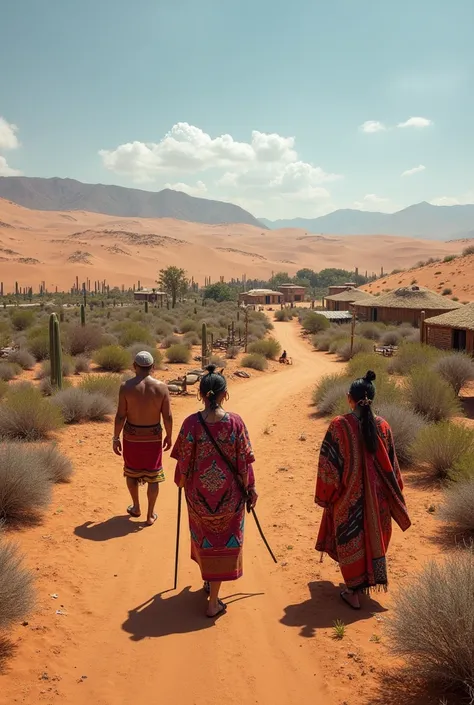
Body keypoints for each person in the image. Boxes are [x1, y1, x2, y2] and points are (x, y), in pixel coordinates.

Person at [314, 370, 411, 609]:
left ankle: (352, 591)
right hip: (379, 504)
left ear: (350, 398)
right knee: (372, 538)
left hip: (348, 501)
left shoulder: (339, 425)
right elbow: (394, 468)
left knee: (351, 540)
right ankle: (363, 584)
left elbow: (328, 466)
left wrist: (327, 495)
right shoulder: (384, 426)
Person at [171, 365, 258, 618]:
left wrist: (181, 482)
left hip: (199, 498)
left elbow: (183, 463)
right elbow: (244, 462)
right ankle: (213, 602)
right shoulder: (236, 423)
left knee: (205, 539)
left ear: (200, 394)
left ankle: (210, 584)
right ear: (225, 394)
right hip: (229, 498)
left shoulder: (190, 424)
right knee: (224, 540)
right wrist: (250, 488)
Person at [113, 351, 173, 526]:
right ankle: (150, 514)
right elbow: (167, 416)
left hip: (132, 437)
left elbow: (120, 416)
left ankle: (136, 507)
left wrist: (115, 438)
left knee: (132, 471)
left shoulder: (126, 387)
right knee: (153, 475)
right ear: (152, 367)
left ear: (134, 366)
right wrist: (169, 436)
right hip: (153, 437)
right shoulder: (161, 388)